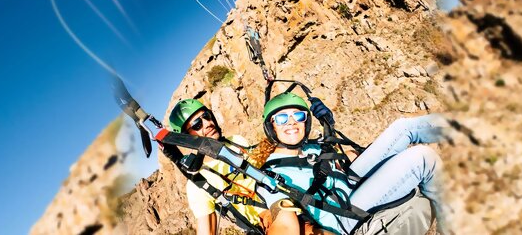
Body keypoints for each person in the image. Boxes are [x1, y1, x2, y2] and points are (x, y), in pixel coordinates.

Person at [252, 92, 446, 235]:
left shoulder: (311, 147)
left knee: (402, 128)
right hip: (343, 216)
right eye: (282, 118)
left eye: (299, 116)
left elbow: (344, 161)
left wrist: (329, 125)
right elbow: (285, 225)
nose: (292, 122)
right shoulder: (270, 175)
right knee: (421, 158)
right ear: (271, 127)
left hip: (349, 183)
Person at [168, 99, 266, 235]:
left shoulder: (237, 141)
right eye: (197, 125)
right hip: (264, 223)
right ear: (187, 137)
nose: (208, 124)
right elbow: (206, 229)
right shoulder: (199, 181)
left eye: (206, 116)